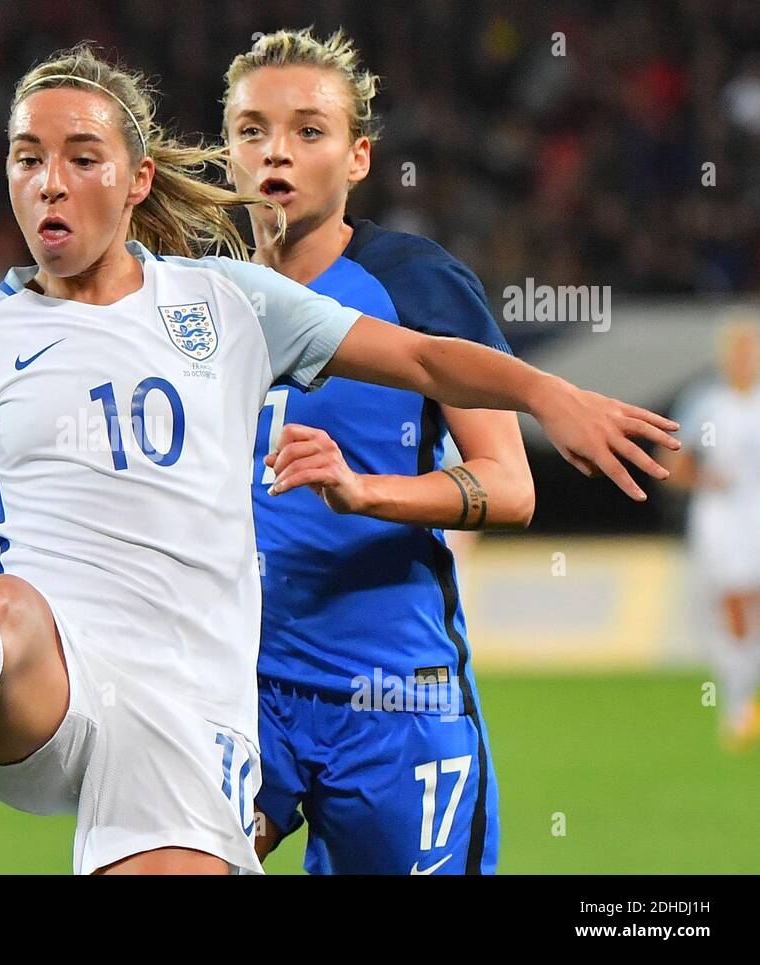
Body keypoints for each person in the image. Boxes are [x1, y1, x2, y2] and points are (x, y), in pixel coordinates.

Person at [0, 43, 678, 876]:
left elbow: (428, 361)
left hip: (196, 704)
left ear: (138, 179)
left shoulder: (229, 303)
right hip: (49, 681)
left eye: (80, 157)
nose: (49, 182)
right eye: (27, 159)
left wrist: (552, 395)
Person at [220, 26, 530, 875]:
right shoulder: (195, 303)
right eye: (252, 130)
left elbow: (510, 484)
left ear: (358, 157)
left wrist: (367, 491)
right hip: (238, 692)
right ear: (227, 151)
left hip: (393, 698)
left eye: (308, 131)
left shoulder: (417, 284)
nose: (276, 151)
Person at [664, 318, 760, 750]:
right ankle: (737, 707)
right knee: (735, 607)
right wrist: (705, 479)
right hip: (721, 520)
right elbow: (672, 463)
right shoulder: (707, 403)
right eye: (738, 352)